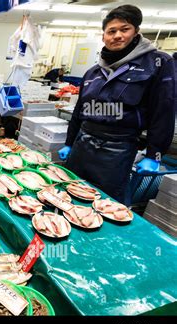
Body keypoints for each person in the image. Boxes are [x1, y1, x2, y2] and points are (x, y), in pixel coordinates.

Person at [58, 5, 175, 203]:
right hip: (83, 143)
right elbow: (80, 112)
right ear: (103, 36)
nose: (117, 35)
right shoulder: (93, 72)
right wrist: (69, 143)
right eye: (111, 31)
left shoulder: (158, 63)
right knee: (71, 192)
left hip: (118, 148)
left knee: (107, 202)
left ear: (136, 31)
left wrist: (154, 154)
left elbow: (164, 110)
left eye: (124, 29)